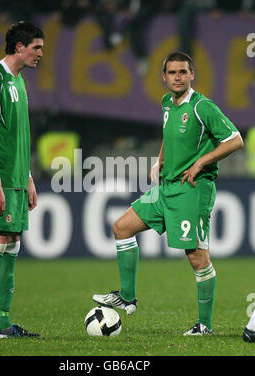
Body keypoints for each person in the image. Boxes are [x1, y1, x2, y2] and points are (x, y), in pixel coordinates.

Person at [93, 51, 244, 335]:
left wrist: (201, 162)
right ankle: (127, 296)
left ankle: (204, 326)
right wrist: (159, 160)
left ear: (192, 75)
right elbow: (169, 133)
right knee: (122, 227)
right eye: (172, 73)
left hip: (192, 190)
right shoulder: (165, 103)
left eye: (183, 72)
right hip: (167, 188)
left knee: (197, 257)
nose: (178, 77)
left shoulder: (203, 107)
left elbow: (235, 140)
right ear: (164, 77)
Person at [0, 21, 44, 338]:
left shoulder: (19, 80)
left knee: (12, 245)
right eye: (36, 47)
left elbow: (19, 136)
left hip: (16, 179)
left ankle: (2, 322)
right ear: (19, 47)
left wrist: (27, 176)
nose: (40, 53)